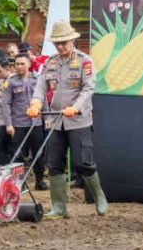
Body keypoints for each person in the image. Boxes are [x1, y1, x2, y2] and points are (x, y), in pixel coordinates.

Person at [28, 21, 106, 218]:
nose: (60, 46)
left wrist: (76, 107)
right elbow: (40, 87)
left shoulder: (84, 61)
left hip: (78, 120)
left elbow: (89, 88)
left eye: (64, 42)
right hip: (55, 120)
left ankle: (99, 197)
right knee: (54, 163)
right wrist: (35, 104)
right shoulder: (50, 62)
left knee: (83, 163)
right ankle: (59, 207)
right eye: (57, 43)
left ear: (73, 40)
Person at [1, 53, 47, 190]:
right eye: (17, 64)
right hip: (18, 124)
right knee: (18, 154)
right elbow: (5, 104)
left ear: (29, 64)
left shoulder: (38, 79)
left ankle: (40, 180)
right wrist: (8, 124)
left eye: (22, 64)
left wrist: (48, 118)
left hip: (36, 123)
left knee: (38, 152)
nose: (19, 67)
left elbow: (42, 99)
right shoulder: (10, 82)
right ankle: (19, 183)